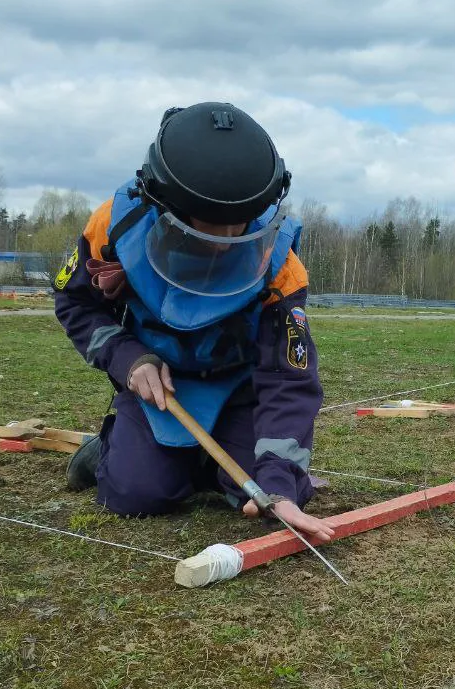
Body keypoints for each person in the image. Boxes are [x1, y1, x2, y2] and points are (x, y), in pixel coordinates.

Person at [54, 102, 333, 541]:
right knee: (135, 494)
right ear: (166, 205)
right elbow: (76, 305)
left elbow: (289, 378)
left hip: (241, 389)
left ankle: (202, 462)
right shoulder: (113, 226)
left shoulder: (281, 266)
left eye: (236, 229)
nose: (224, 245)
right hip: (160, 384)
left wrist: (280, 484)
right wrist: (129, 360)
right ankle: (111, 448)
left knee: (264, 492)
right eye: (206, 230)